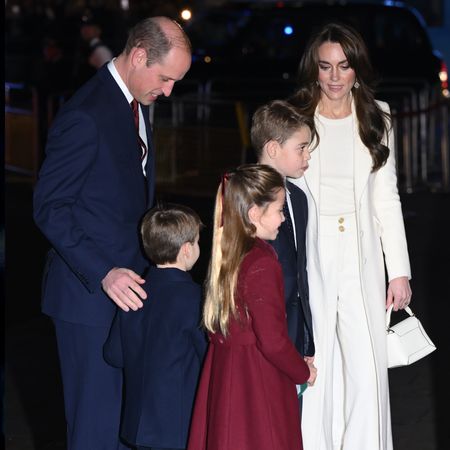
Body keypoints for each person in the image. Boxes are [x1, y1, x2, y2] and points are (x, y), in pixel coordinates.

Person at [33, 17, 192, 450]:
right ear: (139, 55)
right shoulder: (86, 114)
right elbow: (50, 207)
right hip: (89, 300)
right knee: (94, 431)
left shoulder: (133, 104)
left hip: (129, 297)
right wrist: (104, 271)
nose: (169, 91)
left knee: (125, 429)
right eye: (165, 78)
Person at [289, 22, 412, 450]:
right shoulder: (297, 117)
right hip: (313, 254)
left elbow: (387, 198)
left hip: (361, 254)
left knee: (367, 366)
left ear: (356, 68)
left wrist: (399, 271)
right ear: (314, 70)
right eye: (326, 67)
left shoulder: (378, 115)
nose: (335, 77)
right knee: (316, 361)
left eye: (343, 66)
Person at [187, 164, 317, 450]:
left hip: (226, 371)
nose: (283, 218)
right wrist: (302, 371)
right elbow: (272, 341)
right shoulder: (262, 262)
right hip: (256, 379)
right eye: (279, 210)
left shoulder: (228, 251)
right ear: (254, 214)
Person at [104, 203, 207, 450]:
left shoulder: (135, 293)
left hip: (138, 424)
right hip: (177, 424)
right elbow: (208, 357)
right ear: (186, 250)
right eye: (197, 242)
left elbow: (114, 355)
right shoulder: (195, 298)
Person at [250, 100, 317, 399]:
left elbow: (300, 274)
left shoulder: (299, 199)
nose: (308, 155)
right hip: (260, 334)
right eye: (301, 148)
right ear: (274, 149)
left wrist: (306, 341)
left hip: (293, 332)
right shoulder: (244, 197)